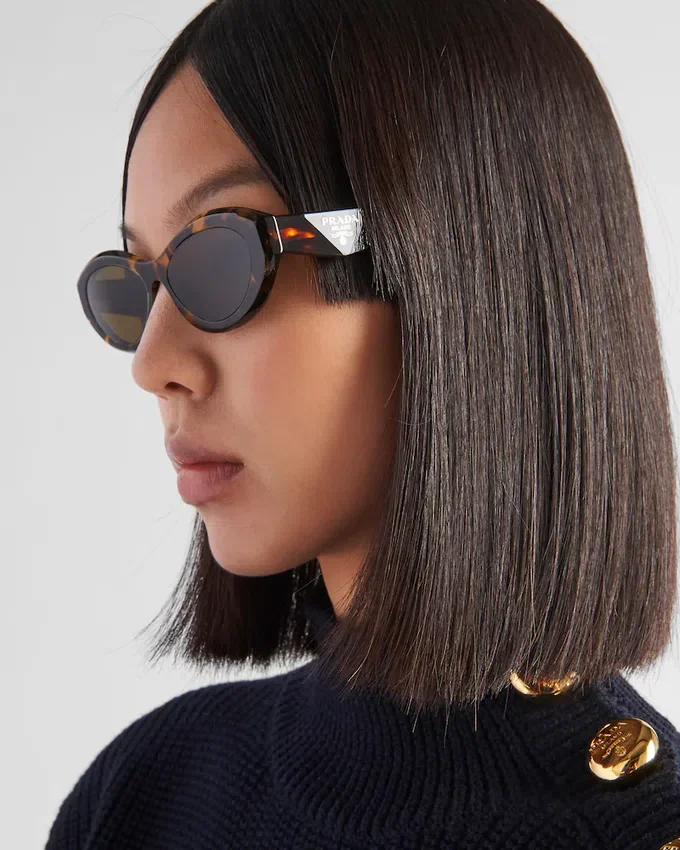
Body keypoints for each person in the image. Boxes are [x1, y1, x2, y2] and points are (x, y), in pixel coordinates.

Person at [47, 0, 680, 847]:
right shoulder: (148, 792)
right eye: (137, 286)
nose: (152, 362)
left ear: (461, 267)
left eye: (222, 258)